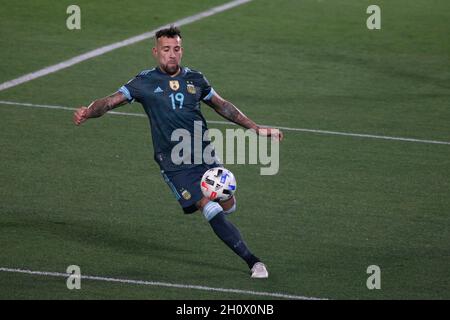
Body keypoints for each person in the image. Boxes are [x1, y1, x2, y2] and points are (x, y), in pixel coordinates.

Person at [73, 26, 283, 278]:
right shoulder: (144, 82)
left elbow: (223, 106)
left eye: (176, 49)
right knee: (208, 206)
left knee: (227, 204)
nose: (171, 54)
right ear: (155, 52)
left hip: (204, 154)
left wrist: (255, 128)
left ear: (181, 51)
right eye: (165, 50)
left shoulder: (196, 79)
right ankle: (253, 262)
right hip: (174, 163)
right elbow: (109, 102)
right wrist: (88, 111)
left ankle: (225, 205)